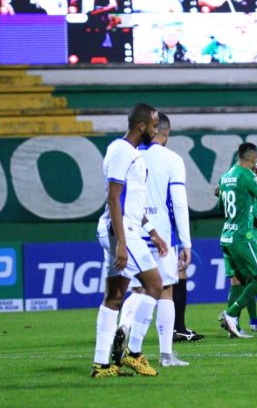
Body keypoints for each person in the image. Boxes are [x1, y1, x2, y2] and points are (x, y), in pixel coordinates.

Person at [90, 103, 167, 378]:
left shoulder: (127, 151)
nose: (156, 130)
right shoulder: (122, 152)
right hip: (121, 230)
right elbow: (114, 198)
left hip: (127, 228)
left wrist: (153, 232)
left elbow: (133, 201)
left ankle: (101, 364)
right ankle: (133, 352)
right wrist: (122, 242)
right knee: (155, 283)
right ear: (141, 126)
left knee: (115, 296)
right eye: (154, 125)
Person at [116, 113, 192, 367]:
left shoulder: (129, 154)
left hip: (131, 231)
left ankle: (124, 326)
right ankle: (166, 355)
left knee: (138, 288)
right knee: (165, 290)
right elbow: (179, 204)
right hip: (161, 234)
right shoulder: (172, 159)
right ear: (165, 132)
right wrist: (186, 242)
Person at [217, 143, 257, 338]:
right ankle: (231, 313)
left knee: (238, 281)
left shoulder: (225, 177)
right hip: (242, 236)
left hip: (226, 234)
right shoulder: (246, 176)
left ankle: (232, 329)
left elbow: (220, 208)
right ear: (253, 159)